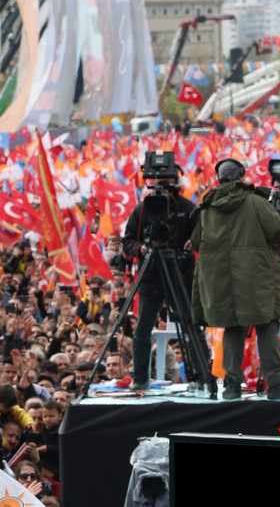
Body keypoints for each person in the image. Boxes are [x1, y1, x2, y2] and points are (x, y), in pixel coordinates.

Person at [190, 158, 280, 400]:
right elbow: (277, 233)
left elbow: (197, 241)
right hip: (258, 276)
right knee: (267, 324)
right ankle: (276, 383)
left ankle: (231, 386)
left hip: (221, 280)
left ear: (219, 179)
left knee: (232, 327)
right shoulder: (255, 201)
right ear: (241, 176)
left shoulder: (206, 207)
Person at [122, 157, 197, 391]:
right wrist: (141, 249)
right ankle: (140, 377)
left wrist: (193, 242)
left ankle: (199, 375)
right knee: (143, 329)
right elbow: (127, 242)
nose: (164, 186)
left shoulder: (188, 208)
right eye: (160, 181)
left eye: (168, 181)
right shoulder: (143, 208)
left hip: (180, 276)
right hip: (151, 277)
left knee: (190, 326)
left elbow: (202, 238)